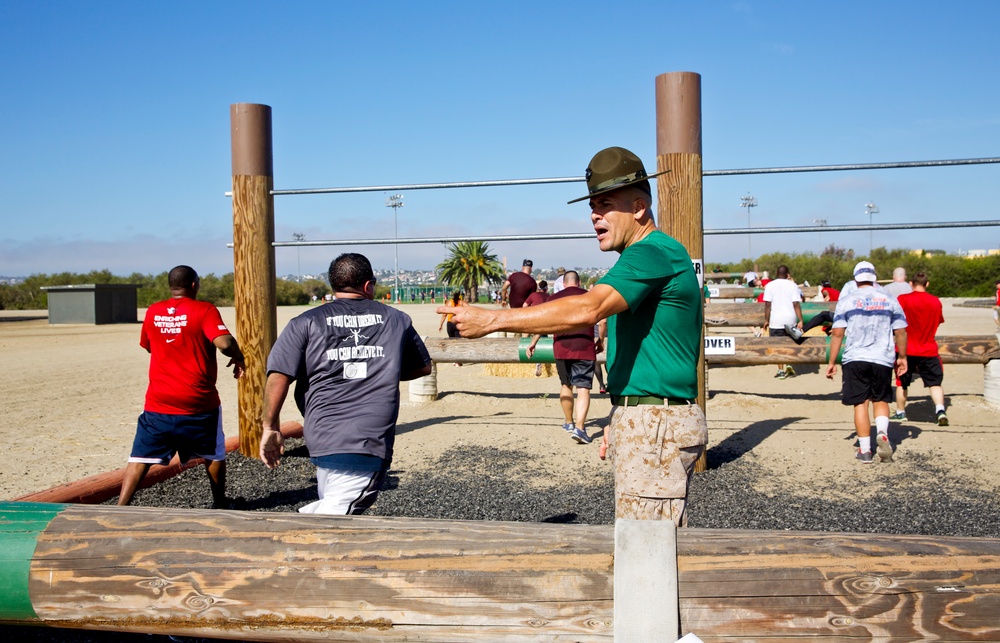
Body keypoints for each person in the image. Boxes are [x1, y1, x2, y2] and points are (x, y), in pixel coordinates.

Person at [438, 146, 706, 526]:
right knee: (645, 541)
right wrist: (624, 412)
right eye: (592, 205)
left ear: (639, 208)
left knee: (648, 550)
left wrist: (493, 321)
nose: (594, 214)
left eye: (605, 203)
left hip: (657, 420)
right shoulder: (651, 255)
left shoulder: (652, 253)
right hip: (650, 414)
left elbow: (586, 309)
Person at [259, 253, 432, 515]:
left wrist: (270, 426)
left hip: (321, 436)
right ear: (367, 286)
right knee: (331, 522)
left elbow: (278, 375)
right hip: (365, 442)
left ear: (334, 286)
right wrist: (380, 371)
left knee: (333, 510)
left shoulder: (304, 322)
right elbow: (422, 366)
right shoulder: (397, 319)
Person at [118, 265, 245, 508]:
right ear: (195, 285)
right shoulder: (204, 309)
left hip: (159, 401)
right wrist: (238, 356)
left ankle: (122, 506)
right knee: (213, 452)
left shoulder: (154, 310)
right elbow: (224, 342)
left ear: (171, 286)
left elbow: (148, 345)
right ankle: (220, 504)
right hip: (199, 402)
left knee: (140, 457)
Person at [825, 261, 908, 465]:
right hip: (882, 357)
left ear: (855, 279)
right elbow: (901, 331)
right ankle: (882, 431)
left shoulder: (847, 301)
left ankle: (865, 451)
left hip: (855, 357)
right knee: (880, 400)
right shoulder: (889, 300)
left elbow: (837, 334)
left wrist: (832, 361)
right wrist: (902, 357)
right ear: (874, 278)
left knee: (860, 403)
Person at [526, 271, 599, 444]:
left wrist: (533, 342)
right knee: (583, 388)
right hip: (584, 346)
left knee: (566, 385)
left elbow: (543, 323)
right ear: (579, 282)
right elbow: (601, 322)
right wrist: (600, 340)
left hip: (562, 347)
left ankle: (568, 422)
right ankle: (580, 429)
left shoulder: (554, 298)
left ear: (564, 283)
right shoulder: (590, 297)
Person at [894, 272, 948, 425]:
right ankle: (940, 410)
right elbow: (938, 322)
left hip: (905, 349)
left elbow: (896, 323)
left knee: (901, 382)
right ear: (927, 283)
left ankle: (900, 412)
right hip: (928, 348)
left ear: (911, 283)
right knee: (935, 383)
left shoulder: (903, 300)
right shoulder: (935, 301)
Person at [762, 264, 804, 379]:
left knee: (777, 345)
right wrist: (800, 319)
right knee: (789, 343)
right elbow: (796, 303)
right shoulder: (793, 285)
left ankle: (780, 371)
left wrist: (766, 320)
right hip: (790, 319)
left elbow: (767, 304)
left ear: (776, 274)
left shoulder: (770, 285)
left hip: (776, 320)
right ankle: (789, 363)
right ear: (787, 274)